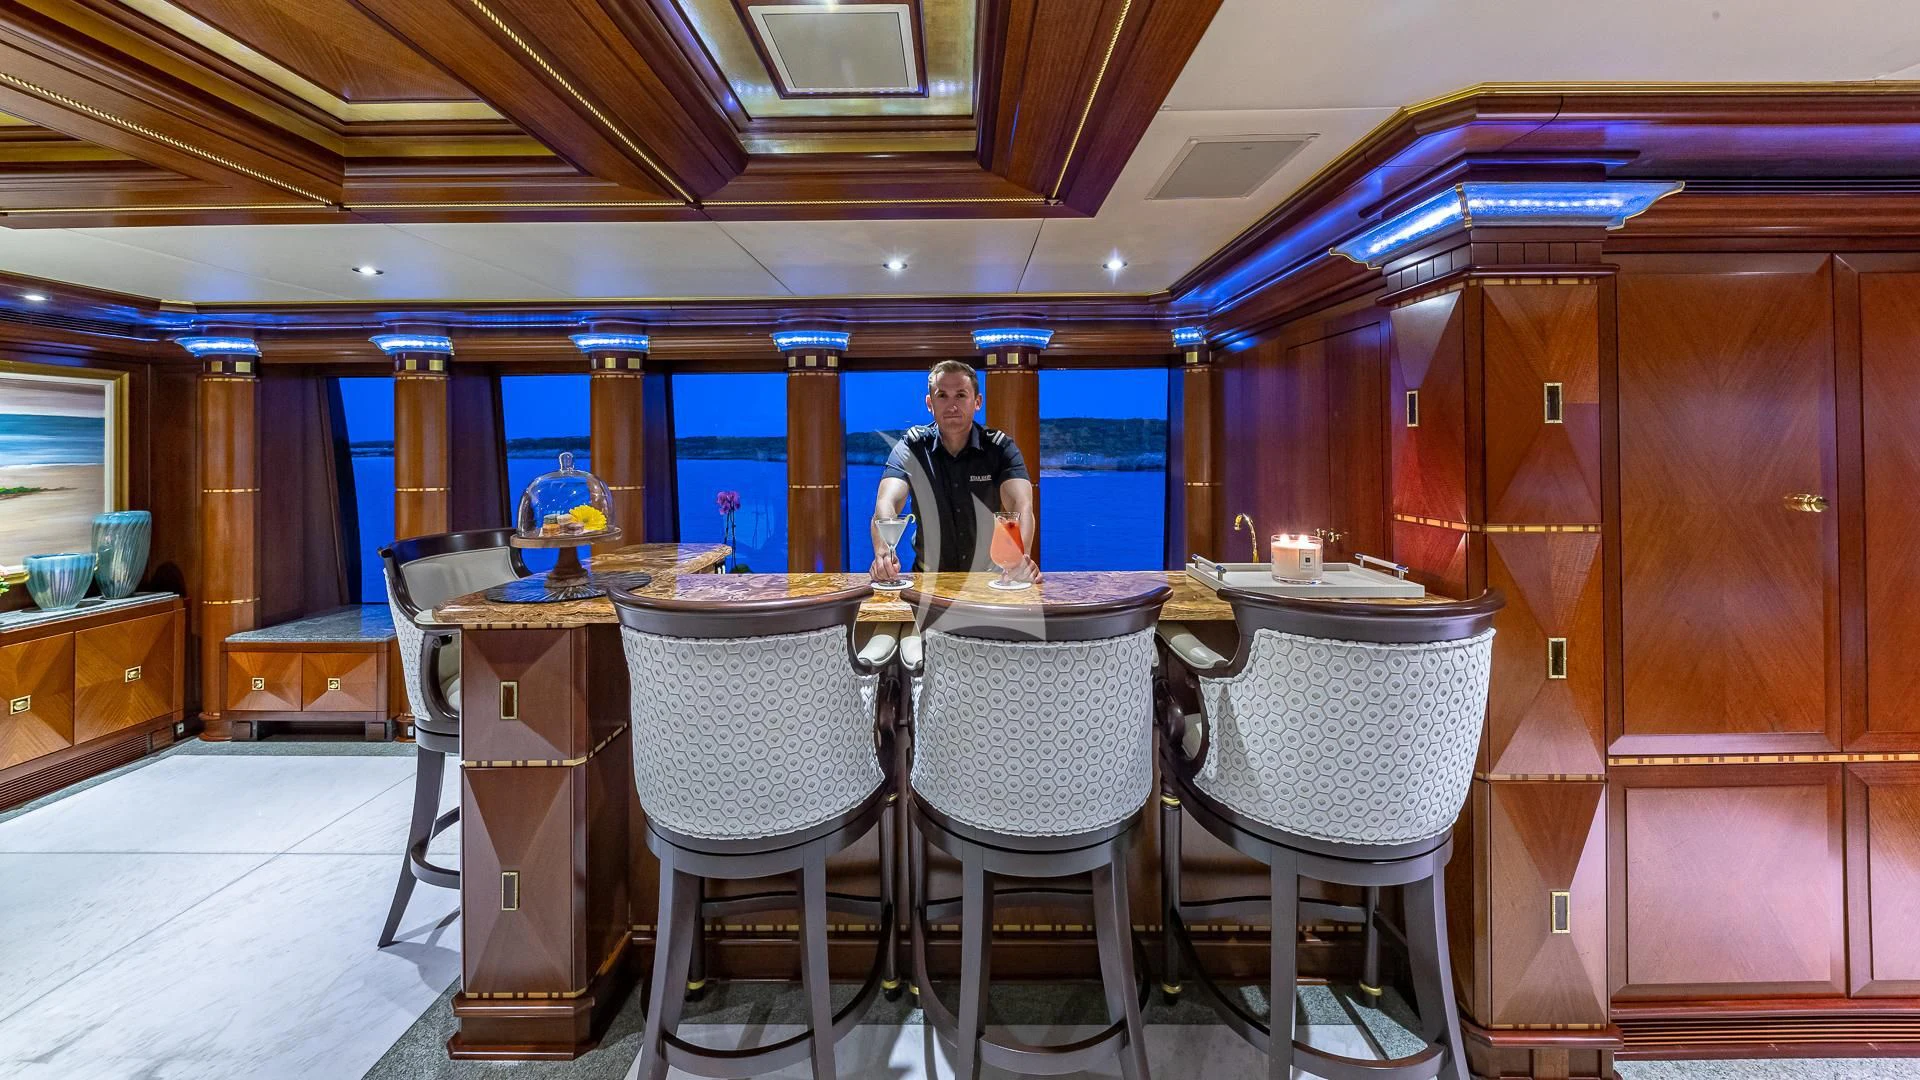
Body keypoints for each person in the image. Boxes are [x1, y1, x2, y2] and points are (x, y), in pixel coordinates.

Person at [869, 359, 1039, 581]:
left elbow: (1021, 506)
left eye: (960, 395)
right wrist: (883, 552)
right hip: (928, 582)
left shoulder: (1000, 448)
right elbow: (886, 503)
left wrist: (1021, 559)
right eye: (942, 396)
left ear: (977, 401)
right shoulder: (912, 447)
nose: (952, 406)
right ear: (930, 403)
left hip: (987, 581)